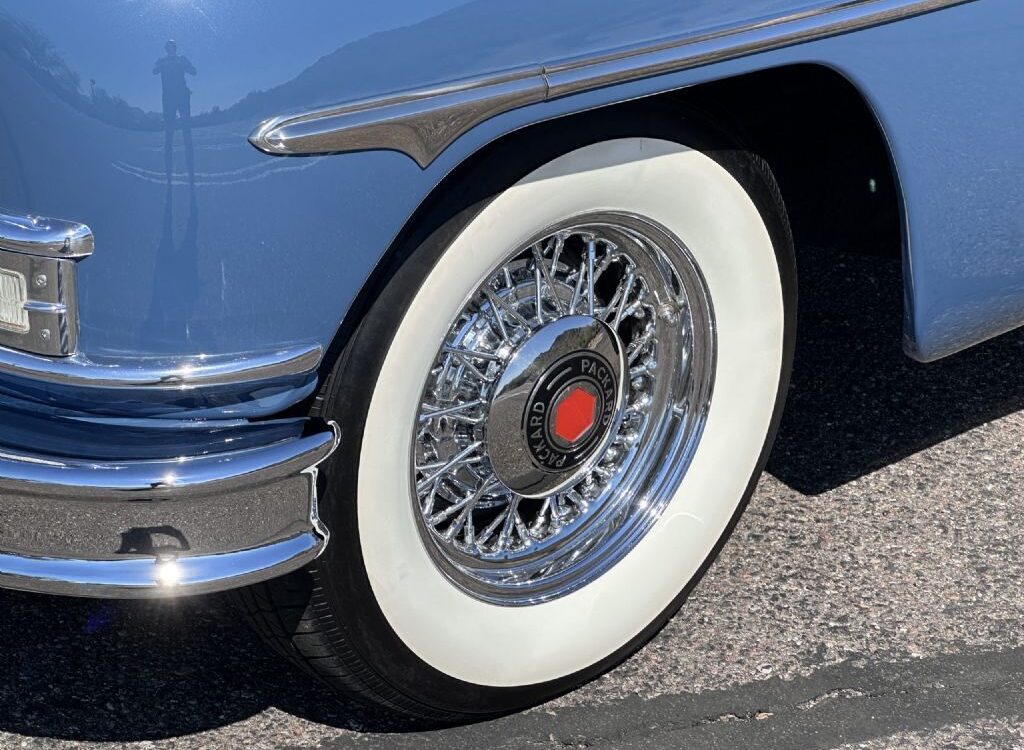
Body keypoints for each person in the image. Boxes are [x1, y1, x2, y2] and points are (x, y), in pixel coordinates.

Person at [153, 40, 196, 184]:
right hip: (168, 97)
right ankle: (168, 155)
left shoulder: (181, 59)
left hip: (182, 95)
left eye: (173, 47)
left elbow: (193, 71)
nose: (171, 49)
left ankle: (189, 154)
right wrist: (161, 64)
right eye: (169, 47)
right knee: (169, 129)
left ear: (175, 48)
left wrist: (184, 64)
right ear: (166, 49)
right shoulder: (162, 60)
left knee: (186, 126)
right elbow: (154, 71)